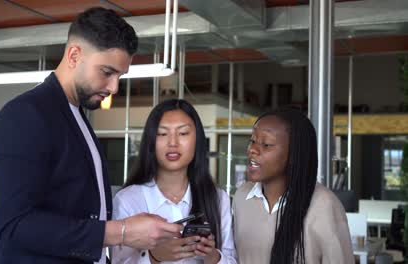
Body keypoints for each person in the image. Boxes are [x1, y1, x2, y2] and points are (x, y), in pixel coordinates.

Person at [0, 7, 182, 264]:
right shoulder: (25, 116)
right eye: (107, 72)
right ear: (74, 55)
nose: (113, 87)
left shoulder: (76, 116)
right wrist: (121, 232)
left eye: (119, 76)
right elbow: (16, 225)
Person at [111, 99, 237, 264]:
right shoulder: (128, 200)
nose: (173, 143)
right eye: (162, 134)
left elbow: (232, 260)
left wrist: (212, 256)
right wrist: (154, 256)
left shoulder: (217, 199)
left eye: (183, 133)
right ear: (151, 141)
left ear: (197, 140)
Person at [233, 108, 354, 264]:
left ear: (294, 153)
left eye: (266, 144)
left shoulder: (325, 205)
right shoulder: (242, 197)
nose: (252, 150)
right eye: (252, 141)